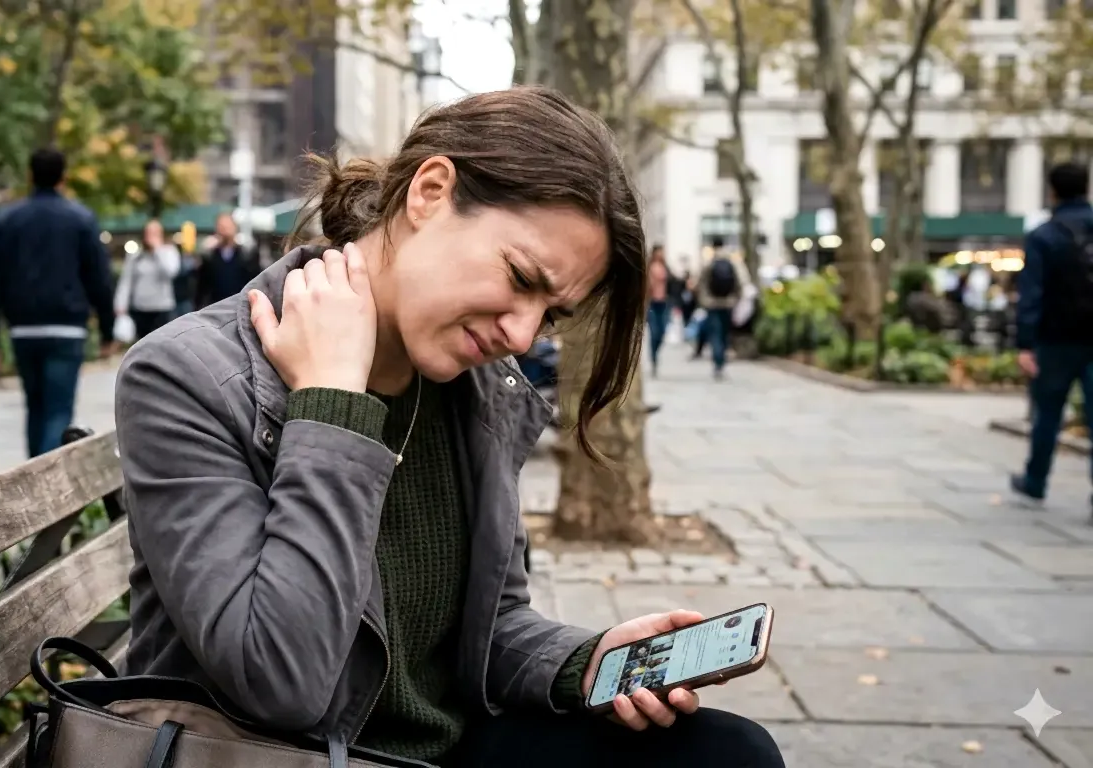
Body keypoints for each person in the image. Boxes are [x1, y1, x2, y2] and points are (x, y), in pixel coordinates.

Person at [113, 87, 784, 768]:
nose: (521, 335)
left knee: (732, 753)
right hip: (282, 755)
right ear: (430, 192)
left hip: (443, 749)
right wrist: (331, 404)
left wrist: (583, 662)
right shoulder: (189, 376)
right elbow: (282, 684)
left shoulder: (470, 388)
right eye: (520, 278)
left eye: (550, 314)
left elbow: (485, 630)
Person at [0, 147, 115, 458]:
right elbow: (99, 279)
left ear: (30, 175)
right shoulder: (81, 219)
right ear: (63, 177)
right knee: (58, 410)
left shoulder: (8, 220)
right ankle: (45, 483)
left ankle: (33, 477)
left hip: (23, 328)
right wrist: (107, 330)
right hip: (66, 328)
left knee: (35, 407)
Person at [1010, 162, 1093, 514]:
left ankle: (1035, 481)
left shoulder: (1044, 235)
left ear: (1052, 190)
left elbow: (1031, 295)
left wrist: (1025, 343)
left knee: (1047, 414)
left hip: (1056, 339)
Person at [114, 219, 181, 338]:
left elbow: (171, 272)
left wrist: (157, 250)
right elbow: (126, 282)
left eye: (155, 233)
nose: (151, 236)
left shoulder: (168, 251)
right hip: (140, 308)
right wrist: (120, 305)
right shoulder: (136, 256)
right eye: (148, 233)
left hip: (162, 308)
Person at [695, 246, 752, 380]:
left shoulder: (710, 265)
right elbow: (741, 283)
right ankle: (721, 362)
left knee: (715, 334)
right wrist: (735, 300)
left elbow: (701, 283)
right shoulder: (732, 265)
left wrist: (705, 301)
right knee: (724, 334)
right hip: (728, 304)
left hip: (712, 304)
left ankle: (717, 362)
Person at [194, 212, 259, 309]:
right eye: (221, 226)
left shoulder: (246, 255)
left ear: (235, 227)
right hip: (215, 306)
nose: (224, 230)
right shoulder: (210, 257)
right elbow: (202, 287)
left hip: (239, 306)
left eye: (227, 226)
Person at [645, 245, 673, 376]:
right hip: (651, 303)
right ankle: (654, 359)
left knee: (662, 331)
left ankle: (655, 353)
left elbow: (673, 283)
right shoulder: (648, 267)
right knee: (654, 332)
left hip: (664, 303)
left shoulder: (666, 268)